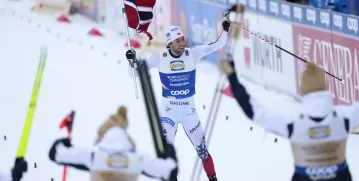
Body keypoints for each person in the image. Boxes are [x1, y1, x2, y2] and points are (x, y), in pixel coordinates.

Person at [219, 58, 359, 181]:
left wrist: (232, 77)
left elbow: (254, 111)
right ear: (325, 88)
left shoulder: (293, 123)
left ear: (303, 90)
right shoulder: (342, 118)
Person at [126, 16, 231, 181]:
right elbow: (134, 73)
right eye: (177, 41)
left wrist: (225, 29)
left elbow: (218, 44)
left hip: (189, 112)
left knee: (203, 150)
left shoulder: (192, 53)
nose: (182, 43)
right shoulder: (160, 57)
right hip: (169, 113)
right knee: (165, 155)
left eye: (182, 39)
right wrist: (131, 61)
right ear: (169, 44)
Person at [48, 106, 178, 181]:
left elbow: (55, 154)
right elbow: (170, 170)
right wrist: (170, 152)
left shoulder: (94, 156)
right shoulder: (137, 158)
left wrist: (63, 143)